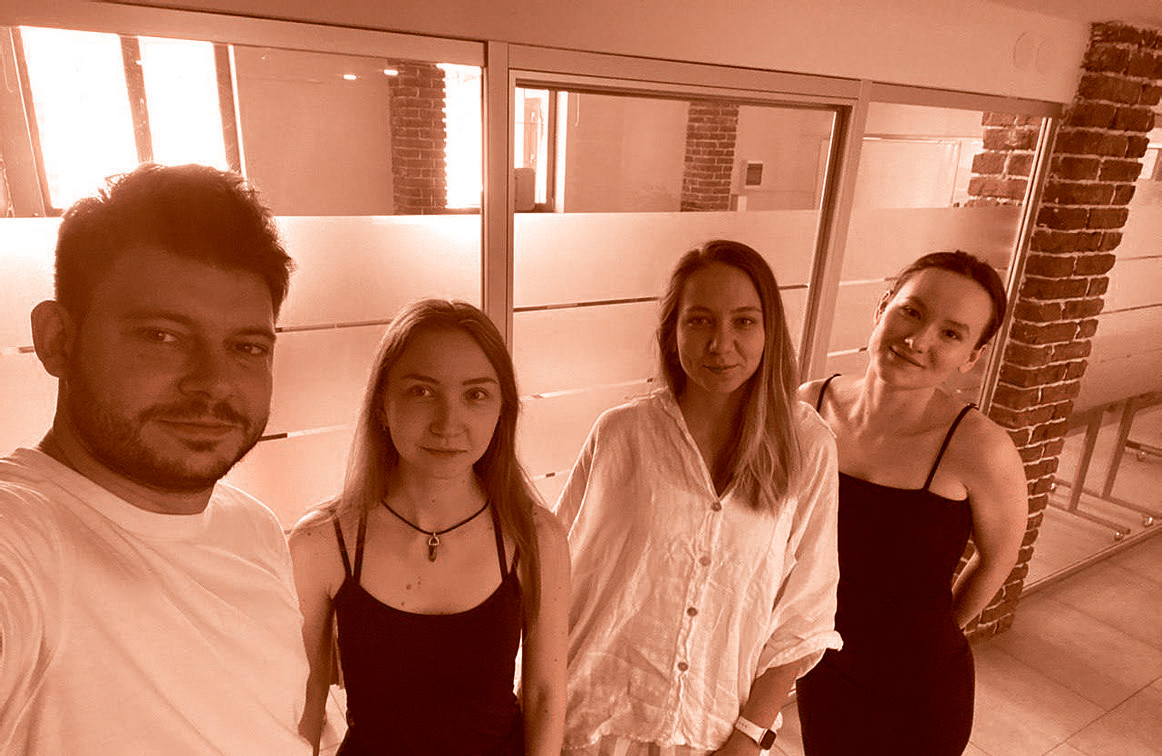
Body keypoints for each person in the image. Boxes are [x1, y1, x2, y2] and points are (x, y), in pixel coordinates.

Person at [0, 163, 311, 754]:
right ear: (57, 339)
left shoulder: (254, 527)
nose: (213, 382)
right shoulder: (22, 540)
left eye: (247, 347)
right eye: (162, 336)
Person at [555, 240, 841, 755]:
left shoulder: (806, 445)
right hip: (591, 718)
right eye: (700, 321)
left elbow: (806, 612)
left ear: (770, 331)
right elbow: (555, 578)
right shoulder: (622, 434)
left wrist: (749, 736)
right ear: (673, 331)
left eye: (744, 322)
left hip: (711, 733)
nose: (720, 344)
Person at [290, 299, 570, 756]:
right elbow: (305, 710)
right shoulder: (321, 542)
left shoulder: (536, 537)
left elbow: (545, 697)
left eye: (475, 395)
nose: (447, 423)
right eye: (421, 391)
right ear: (382, 405)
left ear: (503, 411)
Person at [795, 251, 1028, 755]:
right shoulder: (809, 405)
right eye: (912, 311)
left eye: (951, 333)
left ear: (971, 356)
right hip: (820, 666)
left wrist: (936, 634)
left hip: (919, 683)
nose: (919, 340)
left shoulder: (980, 447)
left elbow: (999, 557)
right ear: (882, 308)